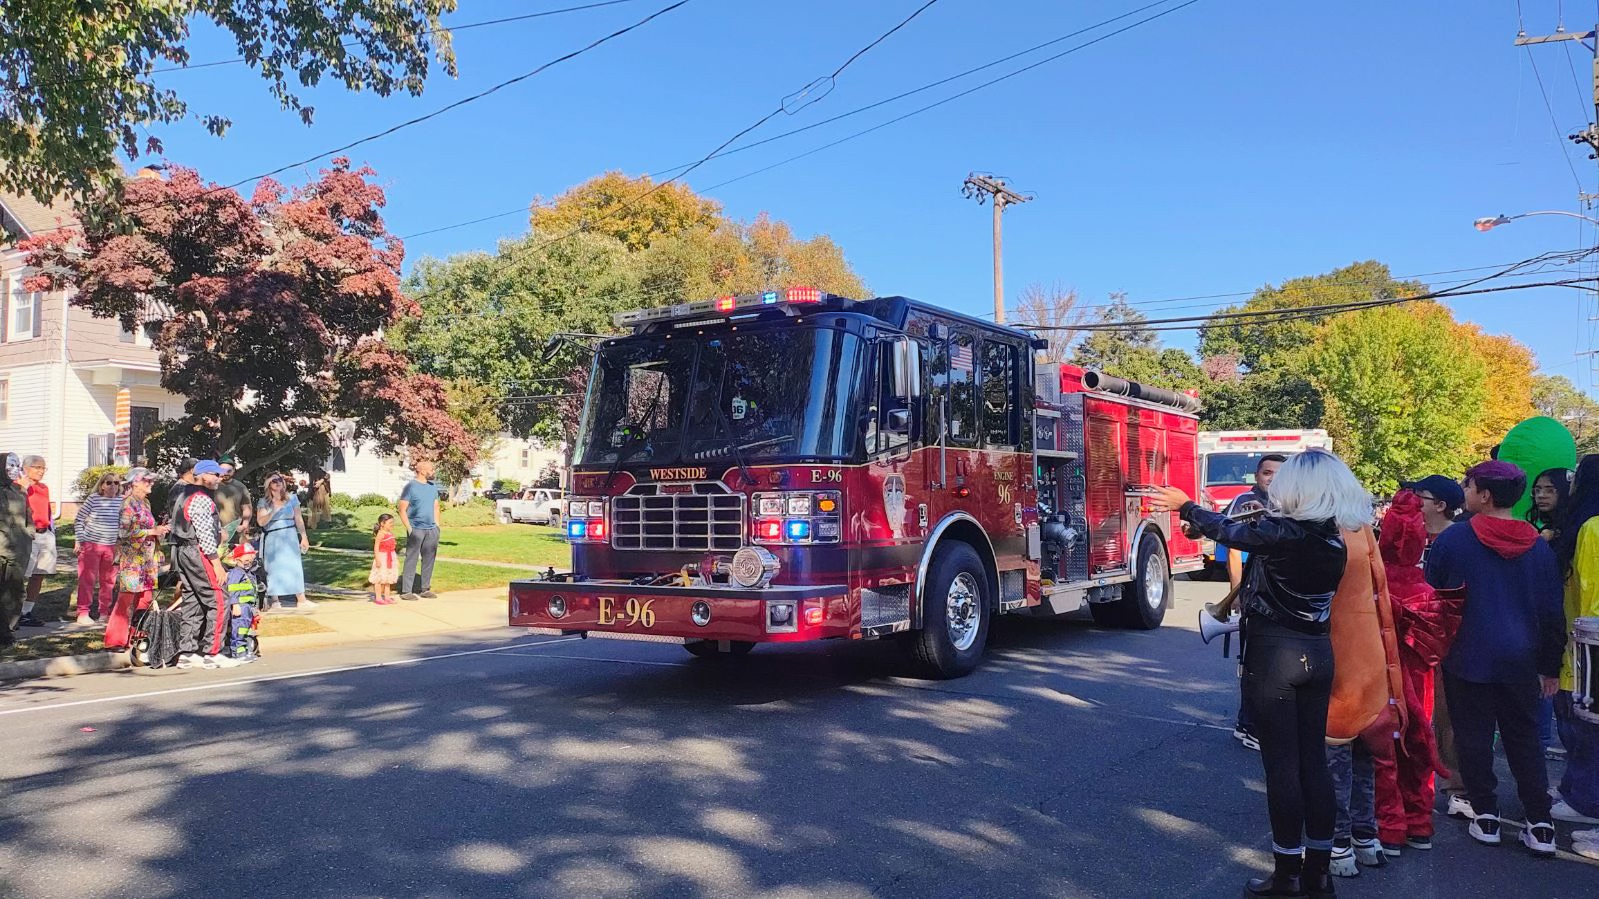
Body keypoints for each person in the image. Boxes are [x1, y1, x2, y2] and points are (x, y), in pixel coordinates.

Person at [1154, 450, 1368, 898]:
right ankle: (1319, 872)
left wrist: (1185, 505)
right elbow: (1250, 536)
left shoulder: (1288, 534)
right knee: (1313, 763)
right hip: (1317, 654)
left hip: (1277, 657)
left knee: (1282, 767)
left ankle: (1287, 873)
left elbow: (1230, 531)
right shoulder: (1332, 538)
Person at [1424, 460, 1565, 857]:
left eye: (1468, 484)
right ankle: (1540, 823)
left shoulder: (1454, 541)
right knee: (1524, 741)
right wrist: (1550, 666)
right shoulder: (1538, 546)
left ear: (1484, 495)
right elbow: (1553, 612)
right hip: (1522, 660)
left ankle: (1485, 815)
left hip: (1468, 656)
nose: (1463, 489)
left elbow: (1433, 599)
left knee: (1473, 736)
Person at [1378, 491, 1459, 857]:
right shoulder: (1427, 591)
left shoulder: (1372, 589)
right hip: (1419, 682)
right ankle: (1419, 824)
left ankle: (1389, 826)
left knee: (1384, 754)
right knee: (1416, 749)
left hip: (1378, 680)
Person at [1399, 472, 1469, 816]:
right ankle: (1407, 785)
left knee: (1446, 715)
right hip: (1406, 640)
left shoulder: (1459, 541)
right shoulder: (1404, 534)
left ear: (1441, 505)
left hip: (1444, 641)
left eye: (1420, 496)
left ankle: (1456, 787)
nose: (1413, 501)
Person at [1550, 455, 1599, 848]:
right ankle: (1576, 790)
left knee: (1585, 725)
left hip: (1586, 645)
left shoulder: (1592, 528)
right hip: (1581, 642)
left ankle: (1585, 798)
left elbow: (1589, 600)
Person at [1223, 453, 1287, 753]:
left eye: (1278, 473)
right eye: (1266, 472)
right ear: (1257, 476)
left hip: (1276, 593)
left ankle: (1261, 722)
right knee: (1252, 662)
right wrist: (1235, 593)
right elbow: (1234, 551)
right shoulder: (1244, 502)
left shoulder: (1288, 504)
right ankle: (1247, 724)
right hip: (1253, 589)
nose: (1271, 478)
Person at [171, 460, 240, 669]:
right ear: (201, 475)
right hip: (198, 551)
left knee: (192, 598)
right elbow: (204, 535)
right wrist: (216, 564)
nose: (219, 479)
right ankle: (213, 651)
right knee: (219, 597)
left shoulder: (183, 495)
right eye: (215, 475)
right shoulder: (200, 498)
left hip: (182, 550)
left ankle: (188, 651)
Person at [1530, 467, 1574, 761]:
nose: (1542, 495)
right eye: (1538, 489)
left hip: (1566, 625)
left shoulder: (1571, 532)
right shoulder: (1544, 530)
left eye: (1550, 489)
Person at [104, 468, 167, 651]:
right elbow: (123, 532)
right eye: (147, 481)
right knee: (126, 599)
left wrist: (158, 534)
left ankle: (138, 635)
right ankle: (115, 640)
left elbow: (150, 528)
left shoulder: (145, 503)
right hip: (132, 559)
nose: (151, 484)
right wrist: (150, 532)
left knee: (145, 598)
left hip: (147, 559)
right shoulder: (127, 504)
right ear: (135, 483)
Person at [72, 471, 123, 625]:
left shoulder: (122, 501)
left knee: (108, 581)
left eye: (116, 483)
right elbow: (79, 519)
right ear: (102, 485)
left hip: (112, 546)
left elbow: (124, 523)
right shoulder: (94, 499)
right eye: (109, 482)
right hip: (91, 544)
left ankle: (104, 612)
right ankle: (83, 612)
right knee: (87, 579)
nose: (113, 485)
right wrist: (81, 539)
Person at [256, 473, 312, 612]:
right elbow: (261, 521)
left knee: (294, 565)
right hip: (273, 535)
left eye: (279, 480)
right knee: (273, 567)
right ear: (269, 484)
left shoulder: (292, 498)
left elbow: (298, 519)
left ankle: (301, 598)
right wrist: (273, 511)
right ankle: (275, 599)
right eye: (274, 481)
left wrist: (303, 536)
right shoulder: (264, 502)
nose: (277, 483)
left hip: (290, 534)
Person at [17, 455, 56, 628]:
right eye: (37, 467)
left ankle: (26, 612)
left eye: (43, 468)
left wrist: (50, 530)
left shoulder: (44, 488)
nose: (41, 471)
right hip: (27, 535)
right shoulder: (18, 486)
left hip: (44, 533)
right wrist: (22, 488)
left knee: (38, 574)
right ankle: (12, 612)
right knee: (20, 575)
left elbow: (46, 510)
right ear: (26, 468)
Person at [397, 459, 442, 601]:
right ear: (422, 471)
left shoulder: (432, 487)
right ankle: (406, 591)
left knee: (429, 559)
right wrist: (410, 529)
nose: (433, 471)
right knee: (412, 558)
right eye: (431, 469)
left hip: (431, 529)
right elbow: (402, 509)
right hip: (416, 528)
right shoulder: (410, 487)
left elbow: (436, 507)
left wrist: (437, 526)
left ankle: (425, 589)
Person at [0, 452, 31, 646]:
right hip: (2, 549)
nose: (13, 470)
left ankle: (9, 628)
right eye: (9, 466)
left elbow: (28, 515)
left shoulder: (20, 491)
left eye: (16, 466)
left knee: (16, 592)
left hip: (19, 550)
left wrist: (30, 532)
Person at [214, 459, 252, 550]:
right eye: (222, 470)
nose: (225, 473)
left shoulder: (240, 487)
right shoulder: (212, 484)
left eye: (229, 470)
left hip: (233, 530)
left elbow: (246, 507)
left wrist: (244, 525)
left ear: (234, 470)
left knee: (232, 561)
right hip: (213, 530)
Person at [369, 513, 399, 605]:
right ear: (382, 523)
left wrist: (396, 559)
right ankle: (378, 597)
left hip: (390, 557)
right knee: (379, 578)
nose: (392, 525)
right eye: (390, 523)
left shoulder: (390, 533)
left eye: (392, 523)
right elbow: (376, 547)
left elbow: (393, 548)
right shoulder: (381, 534)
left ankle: (387, 597)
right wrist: (377, 560)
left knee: (388, 578)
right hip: (382, 557)